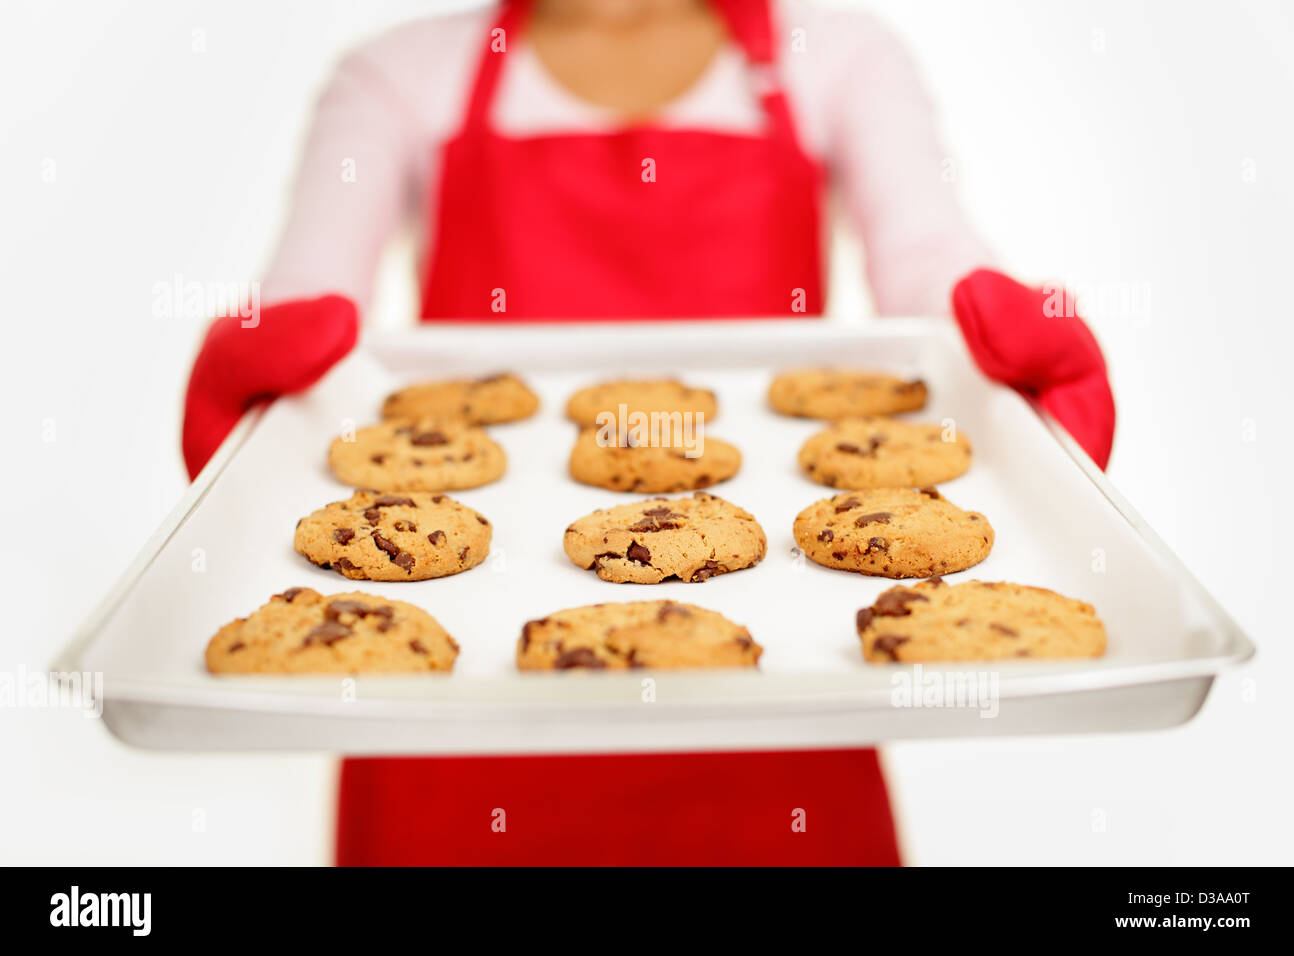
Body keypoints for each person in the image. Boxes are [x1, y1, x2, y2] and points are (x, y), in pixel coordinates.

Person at [183, 0, 1114, 866]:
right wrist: (259, 406)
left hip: (778, 725)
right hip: (452, 740)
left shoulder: (834, 55)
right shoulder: (402, 73)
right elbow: (312, 311)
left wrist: (1004, 381)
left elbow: (929, 270)